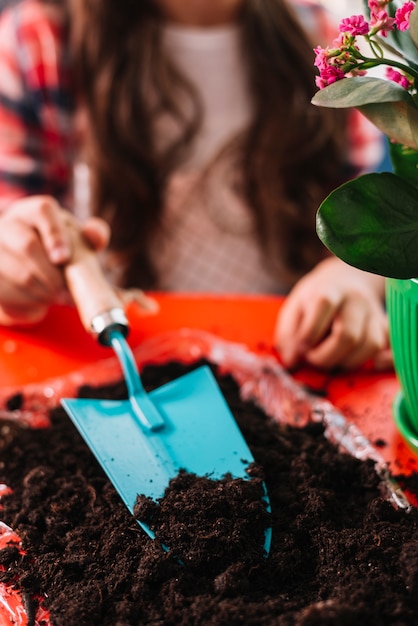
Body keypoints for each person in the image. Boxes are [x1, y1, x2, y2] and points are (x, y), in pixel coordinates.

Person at [0, 0, 391, 371]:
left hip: (284, 361)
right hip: (103, 361)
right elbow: (12, 227)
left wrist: (353, 275)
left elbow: (375, 220)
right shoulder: (38, 45)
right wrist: (16, 263)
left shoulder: (333, 43)